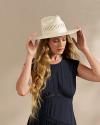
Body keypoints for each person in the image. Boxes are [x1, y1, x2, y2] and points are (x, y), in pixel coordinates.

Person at [16, 15, 100, 125]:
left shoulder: (71, 65)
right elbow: (22, 91)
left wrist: (85, 49)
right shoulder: (36, 65)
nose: (61, 44)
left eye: (63, 39)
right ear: (47, 43)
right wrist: (30, 56)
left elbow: (98, 76)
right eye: (55, 41)